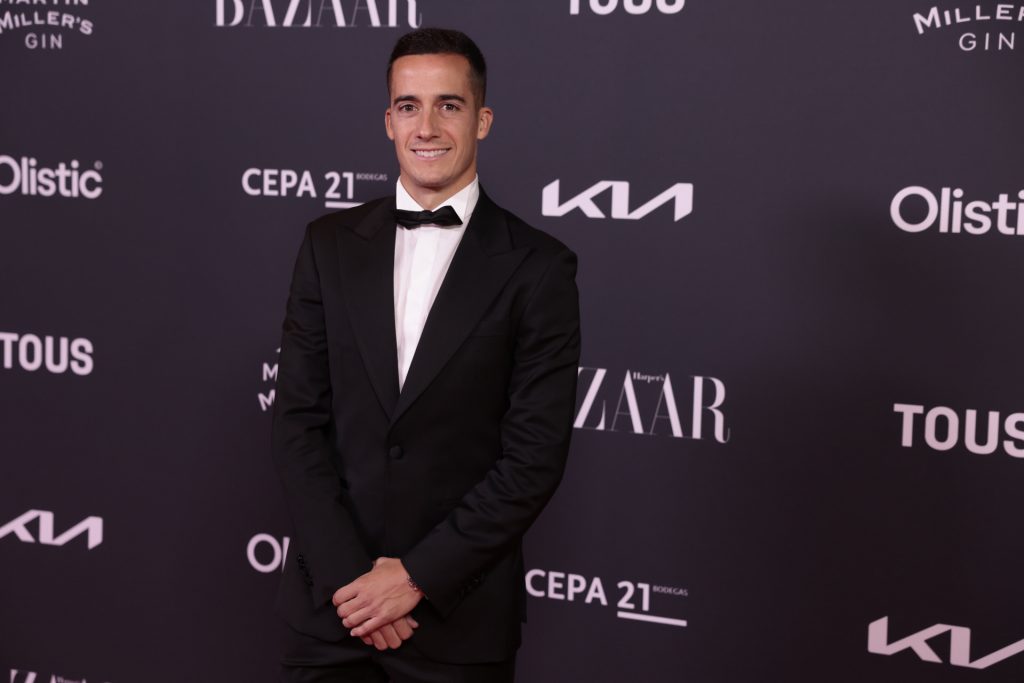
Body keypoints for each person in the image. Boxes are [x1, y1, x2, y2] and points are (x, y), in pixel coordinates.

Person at [272, 27, 581, 682]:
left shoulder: (539, 268)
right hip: (332, 612)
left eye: (450, 105)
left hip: (456, 620)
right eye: (409, 106)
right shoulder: (326, 245)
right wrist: (352, 583)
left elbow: (533, 457)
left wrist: (414, 578)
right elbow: (297, 421)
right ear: (389, 121)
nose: (427, 127)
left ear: (482, 120)